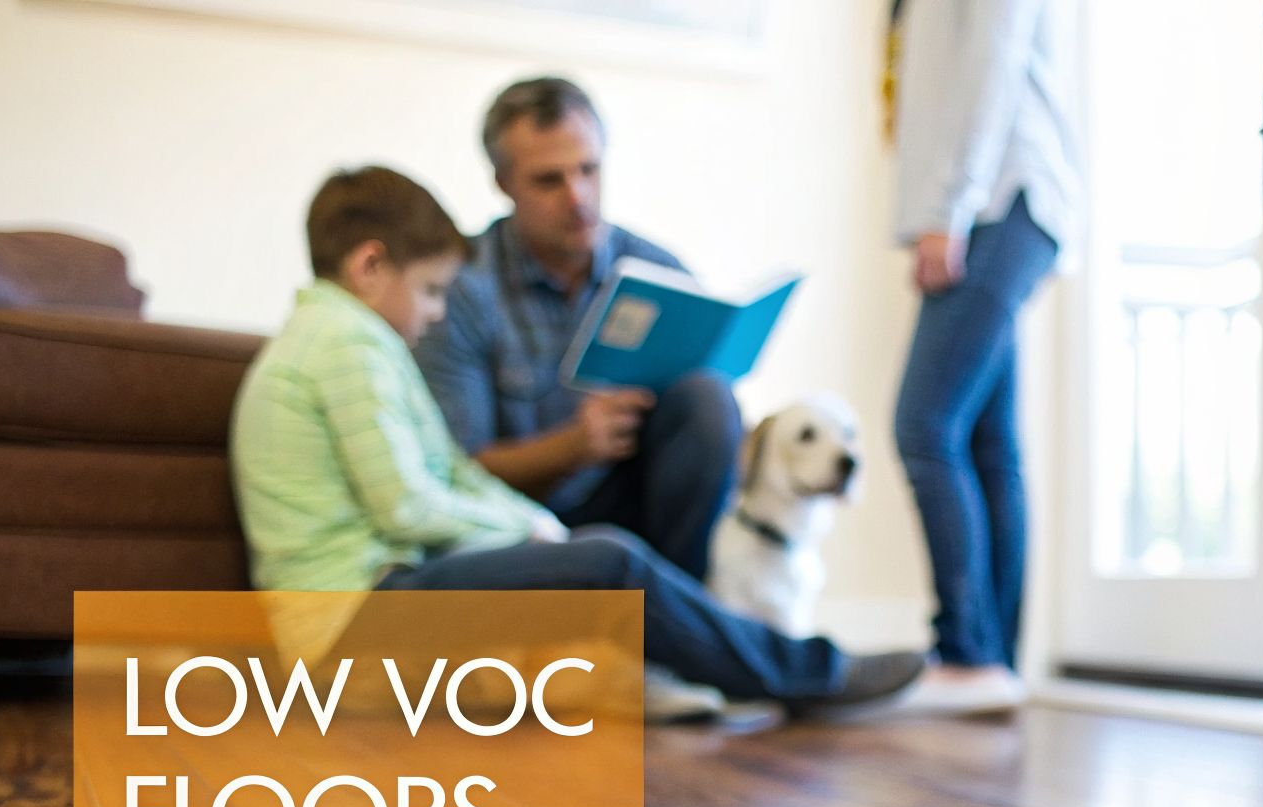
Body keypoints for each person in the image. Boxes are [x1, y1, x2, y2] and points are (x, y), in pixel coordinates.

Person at [229, 166, 925, 706]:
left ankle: (760, 670)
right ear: (370, 267)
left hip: (371, 603)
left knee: (596, 553)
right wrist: (530, 535)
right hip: (350, 627)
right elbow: (407, 507)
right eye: (433, 290)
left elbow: (445, 473)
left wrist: (533, 525)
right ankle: (810, 676)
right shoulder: (345, 344)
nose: (438, 312)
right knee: (611, 563)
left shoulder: (344, 339)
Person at [416, 77, 736, 582]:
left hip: (650, 512)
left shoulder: (657, 272)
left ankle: (683, 615)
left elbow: (710, 435)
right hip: (526, 528)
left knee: (709, 399)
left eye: (589, 169)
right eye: (549, 180)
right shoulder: (459, 291)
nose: (578, 196)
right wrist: (573, 446)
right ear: (504, 184)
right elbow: (456, 475)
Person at [888, 0, 1080, 688]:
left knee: (924, 424)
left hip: (1000, 197)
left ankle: (967, 654)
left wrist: (950, 206)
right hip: (1000, 200)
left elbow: (990, 62)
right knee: (987, 442)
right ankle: (991, 663)